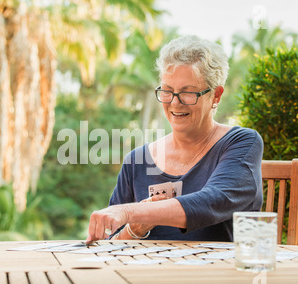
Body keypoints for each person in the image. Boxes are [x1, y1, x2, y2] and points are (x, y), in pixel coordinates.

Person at [85, 35, 263, 244]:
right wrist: (135, 228)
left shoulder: (241, 142)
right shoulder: (138, 160)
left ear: (216, 95)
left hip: (217, 273)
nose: (175, 103)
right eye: (167, 92)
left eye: (188, 93)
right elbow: (110, 244)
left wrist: (132, 211)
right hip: (146, 275)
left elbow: (213, 201)